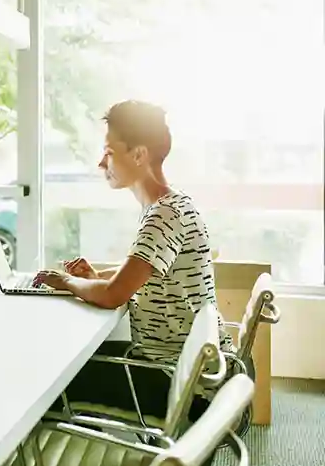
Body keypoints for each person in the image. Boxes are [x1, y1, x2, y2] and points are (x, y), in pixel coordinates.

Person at [33, 100, 232, 424]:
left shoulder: (164, 215)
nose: (101, 163)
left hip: (176, 383)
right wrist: (97, 277)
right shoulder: (171, 205)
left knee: (48, 378)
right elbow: (143, 278)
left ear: (139, 155)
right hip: (180, 367)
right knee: (69, 362)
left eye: (109, 152)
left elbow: (114, 295)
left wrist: (67, 281)